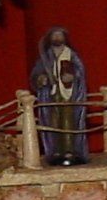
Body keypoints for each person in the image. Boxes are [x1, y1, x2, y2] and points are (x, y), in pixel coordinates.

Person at [29, 26, 88, 166]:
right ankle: (55, 151)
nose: (57, 38)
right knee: (53, 122)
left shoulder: (71, 55)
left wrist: (73, 76)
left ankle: (69, 150)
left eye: (59, 35)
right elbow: (36, 74)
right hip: (52, 95)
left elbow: (80, 71)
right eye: (54, 35)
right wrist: (41, 79)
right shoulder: (46, 57)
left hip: (68, 94)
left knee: (68, 122)